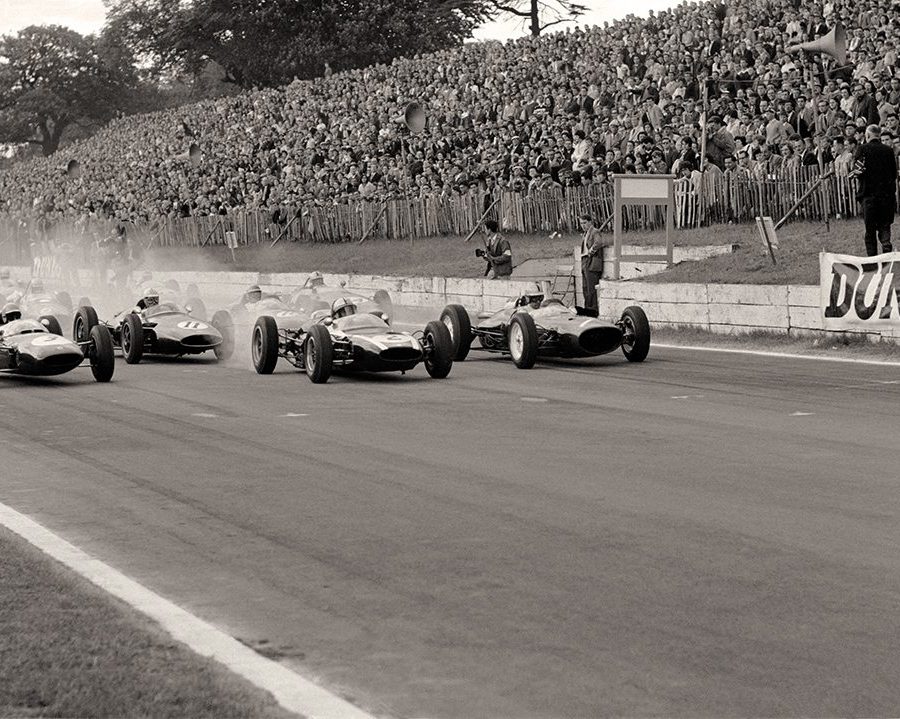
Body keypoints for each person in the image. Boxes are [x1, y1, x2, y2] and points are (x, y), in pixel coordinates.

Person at [853, 124, 898, 256]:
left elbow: (857, 171)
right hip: (886, 196)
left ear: (867, 135)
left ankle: (872, 259)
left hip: (868, 195)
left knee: (870, 230)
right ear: (879, 136)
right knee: (885, 225)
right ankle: (886, 245)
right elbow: (893, 174)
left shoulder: (862, 149)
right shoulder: (888, 151)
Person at [579, 214, 604, 312]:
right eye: (581, 223)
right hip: (584, 260)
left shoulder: (595, 232)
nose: (583, 225)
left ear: (590, 222)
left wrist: (591, 251)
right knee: (585, 288)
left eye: (585, 223)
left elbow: (599, 242)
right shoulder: (585, 234)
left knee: (591, 288)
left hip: (592, 261)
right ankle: (587, 308)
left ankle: (593, 310)